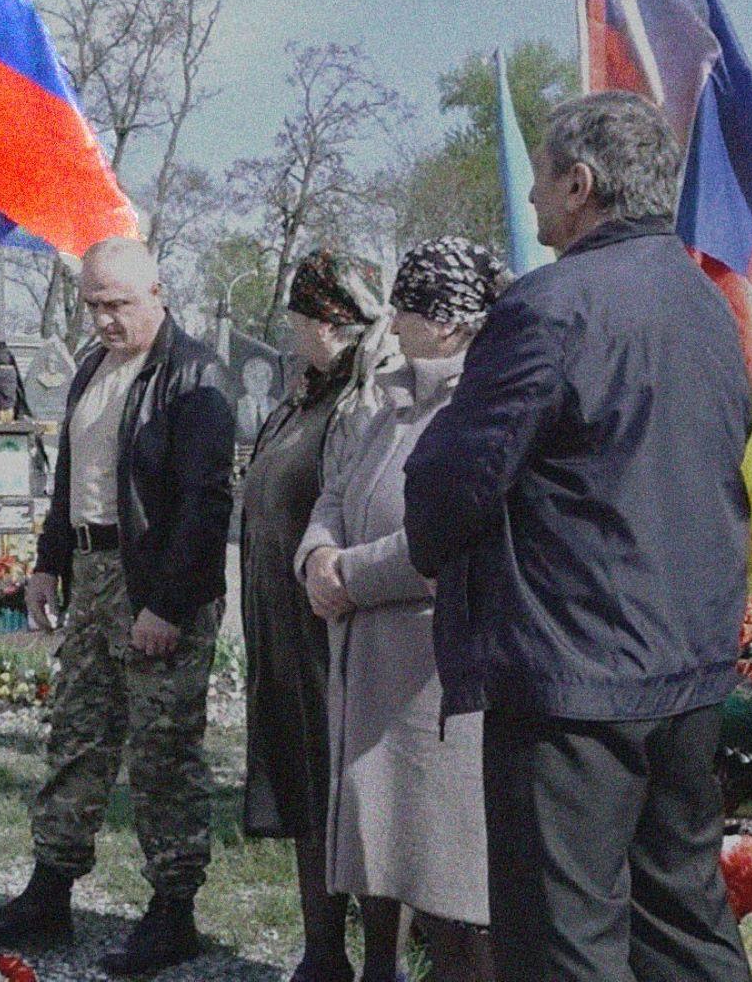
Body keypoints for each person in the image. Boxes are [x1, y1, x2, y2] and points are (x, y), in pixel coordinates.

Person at [403, 91, 752, 982]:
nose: (529, 205)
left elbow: (452, 479)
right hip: (685, 668)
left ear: (581, 184)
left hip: (573, 679)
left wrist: (431, 539)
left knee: (565, 941)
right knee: (683, 919)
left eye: (540, 183)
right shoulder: (706, 303)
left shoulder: (550, 306)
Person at [0, 237, 234, 976]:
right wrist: (49, 564)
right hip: (89, 572)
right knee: (77, 735)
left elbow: (206, 503)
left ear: (157, 292)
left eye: (118, 304)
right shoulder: (93, 368)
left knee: (162, 751)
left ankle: (174, 908)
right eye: (93, 304)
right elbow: (72, 481)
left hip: (156, 582)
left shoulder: (193, 374)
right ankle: (50, 891)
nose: (106, 319)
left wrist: (169, 608)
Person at [296, 239, 504, 982]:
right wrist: (316, 555)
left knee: (446, 874)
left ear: (448, 321)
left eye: (410, 305)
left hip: (431, 680)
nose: (394, 317)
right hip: (367, 670)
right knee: (376, 860)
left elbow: (452, 535)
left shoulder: (484, 400)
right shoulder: (385, 398)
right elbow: (335, 492)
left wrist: (349, 574)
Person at [240, 249, 399, 982]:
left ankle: (381, 963)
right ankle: (322, 951)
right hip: (284, 627)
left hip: (338, 630)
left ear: (328, 323)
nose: (292, 333)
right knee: (307, 786)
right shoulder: (303, 395)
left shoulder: (367, 398)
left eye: (300, 320)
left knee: (357, 797)